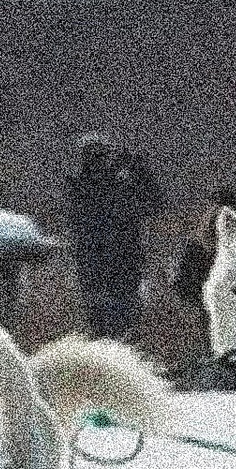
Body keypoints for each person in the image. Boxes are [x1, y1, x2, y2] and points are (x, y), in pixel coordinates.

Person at [64, 132, 165, 339]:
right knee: (107, 321)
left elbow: (156, 204)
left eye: (102, 156)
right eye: (96, 157)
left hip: (121, 263)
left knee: (121, 320)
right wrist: (132, 171)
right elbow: (93, 203)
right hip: (101, 265)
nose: (100, 162)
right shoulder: (82, 186)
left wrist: (138, 172)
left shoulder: (117, 186)